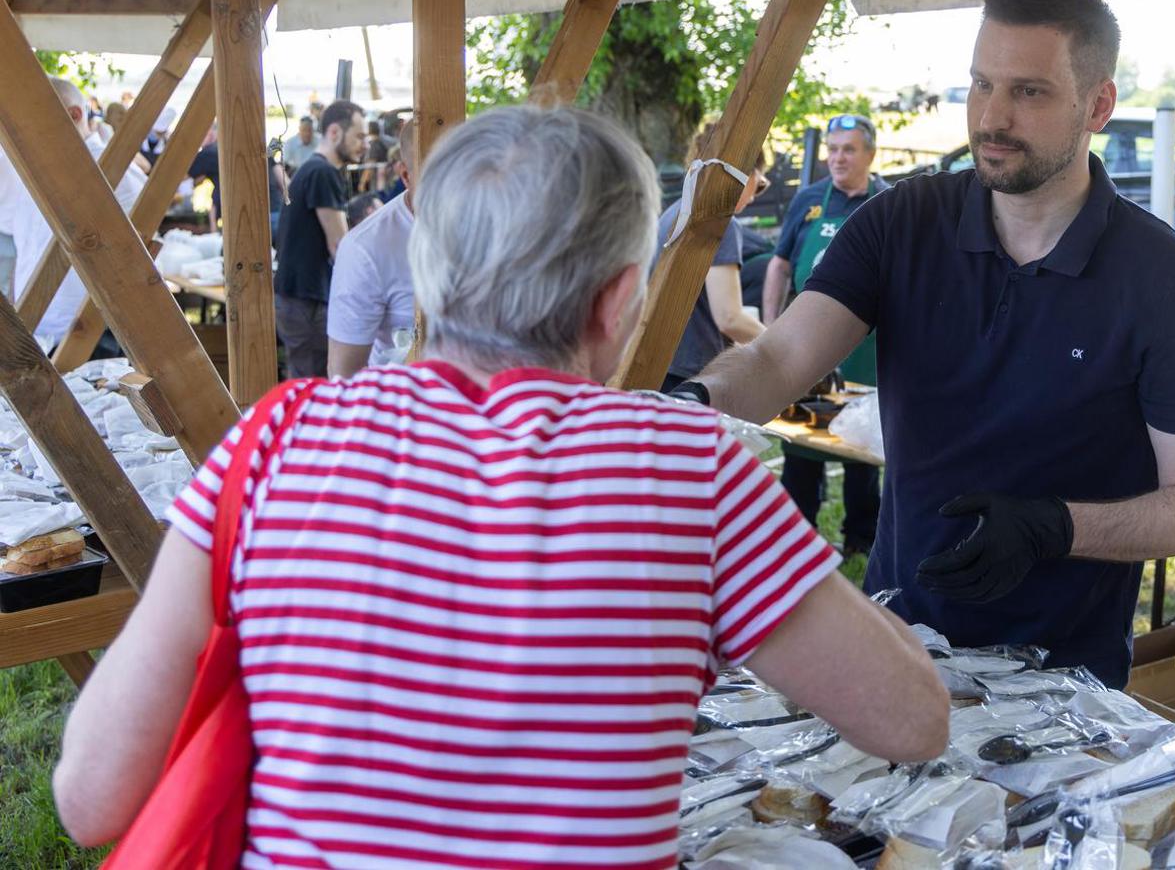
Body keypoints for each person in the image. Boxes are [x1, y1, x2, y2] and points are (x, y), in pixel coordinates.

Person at [52, 105, 949, 866]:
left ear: (427, 266)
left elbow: (92, 798)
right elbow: (913, 722)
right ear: (618, 298)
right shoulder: (689, 467)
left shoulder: (276, 441)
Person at [669, 0, 1175, 685]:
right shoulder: (901, 222)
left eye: (1028, 91)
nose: (992, 118)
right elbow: (780, 357)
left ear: (1098, 105)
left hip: (1064, 681)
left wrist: (1056, 528)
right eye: (981, 84)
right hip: (897, 640)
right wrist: (687, 409)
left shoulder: (1167, 278)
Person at [764, 113, 890, 554]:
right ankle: (796, 538)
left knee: (861, 446)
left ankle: (861, 538)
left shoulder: (888, 203)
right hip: (807, 342)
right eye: (832, 150)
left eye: (848, 150)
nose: (837, 158)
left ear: (870, 154)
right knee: (801, 445)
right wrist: (769, 327)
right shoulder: (809, 201)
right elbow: (779, 265)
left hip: (866, 349)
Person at [11, 77, 146, 350]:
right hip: (35, 332)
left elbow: (139, 262)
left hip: (92, 337)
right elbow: (23, 248)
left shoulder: (116, 173)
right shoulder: (27, 170)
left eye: (32, 119)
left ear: (74, 115)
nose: (23, 130)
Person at [652, 133, 769, 393]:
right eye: (760, 183)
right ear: (746, 174)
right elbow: (729, 318)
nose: (754, 196)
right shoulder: (720, 222)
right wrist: (780, 349)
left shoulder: (676, 212)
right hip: (689, 377)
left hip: (660, 366)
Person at [273, 100, 365, 378]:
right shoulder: (322, 172)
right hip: (307, 301)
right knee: (314, 386)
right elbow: (340, 246)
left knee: (306, 383)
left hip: (299, 298)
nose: (364, 145)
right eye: (359, 136)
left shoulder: (313, 169)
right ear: (335, 132)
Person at [328, 121, 418, 378]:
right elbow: (343, 374)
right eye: (437, 175)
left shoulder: (496, 224)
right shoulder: (365, 248)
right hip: (400, 398)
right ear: (406, 176)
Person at [188, 125, 290, 233]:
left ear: (211, 134)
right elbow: (285, 183)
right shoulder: (261, 149)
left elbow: (187, 179)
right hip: (275, 211)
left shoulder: (210, 153)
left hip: (248, 217)